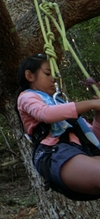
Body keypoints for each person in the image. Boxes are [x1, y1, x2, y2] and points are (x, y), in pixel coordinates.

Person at [16, 54, 100, 200]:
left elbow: (93, 137)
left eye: (55, 75)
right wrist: (91, 103)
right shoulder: (27, 96)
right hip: (55, 152)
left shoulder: (60, 103)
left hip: (84, 151)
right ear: (30, 76)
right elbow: (45, 114)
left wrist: (98, 114)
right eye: (47, 73)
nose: (53, 79)